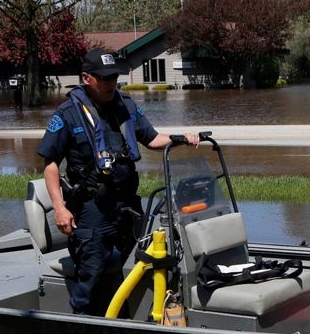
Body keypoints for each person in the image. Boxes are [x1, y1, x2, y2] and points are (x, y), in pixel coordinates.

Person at [38, 48, 201, 315]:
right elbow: (50, 164)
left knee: (143, 261)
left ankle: (133, 320)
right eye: (104, 78)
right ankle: (80, 330)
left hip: (127, 206)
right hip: (92, 210)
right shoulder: (68, 113)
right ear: (86, 78)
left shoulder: (126, 105)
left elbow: (152, 139)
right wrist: (59, 207)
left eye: (114, 76)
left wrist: (181, 137)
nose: (111, 83)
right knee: (91, 271)